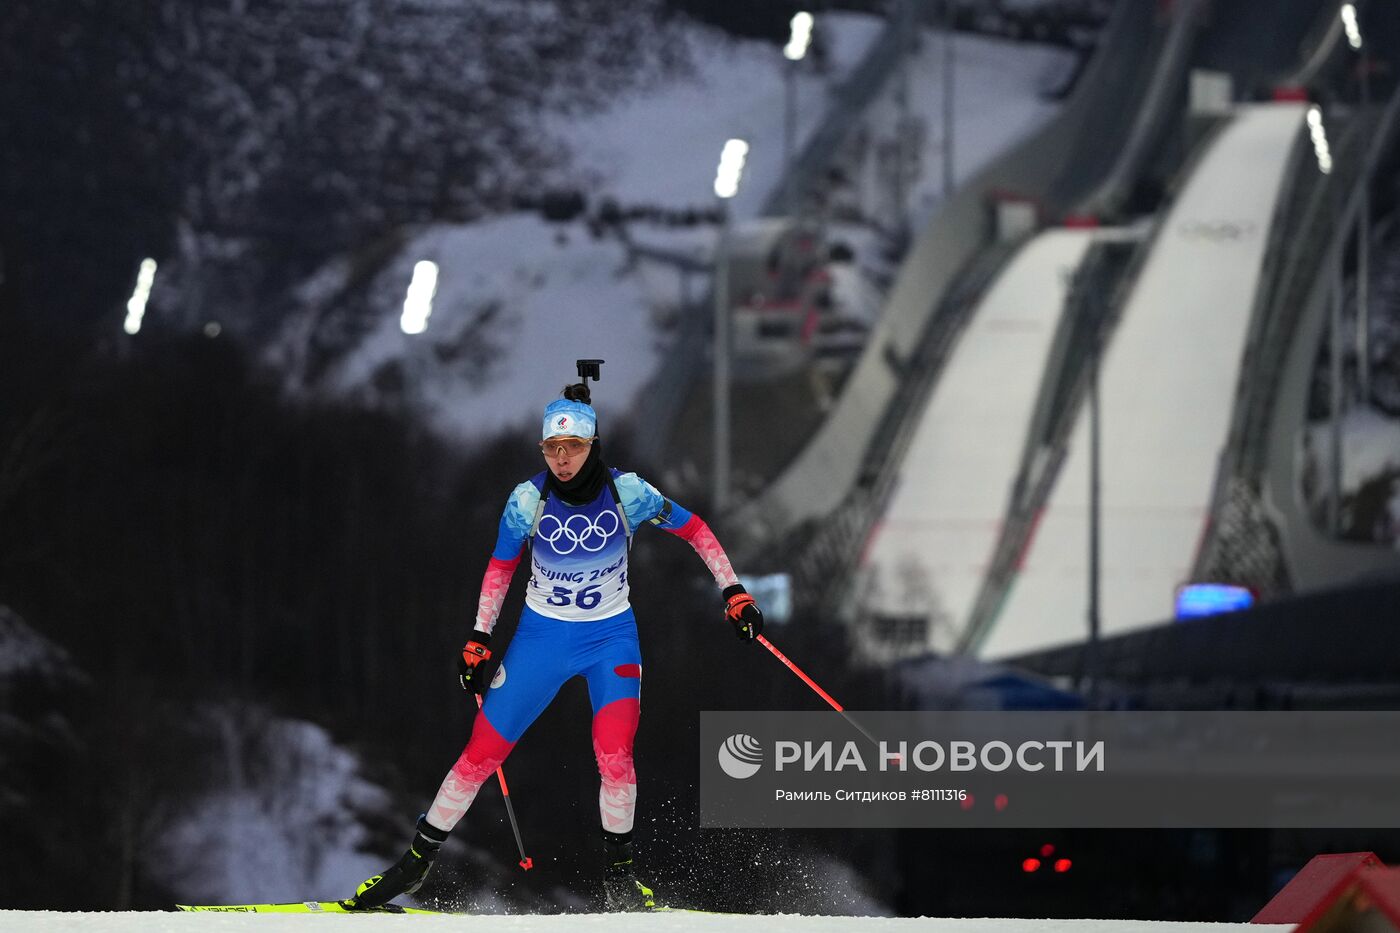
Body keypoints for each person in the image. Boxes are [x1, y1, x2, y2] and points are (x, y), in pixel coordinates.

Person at [348, 379, 765, 912]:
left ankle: (621, 883)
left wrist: (733, 592)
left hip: (611, 639)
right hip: (541, 639)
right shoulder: (528, 500)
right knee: (480, 754)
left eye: (573, 448)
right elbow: (500, 569)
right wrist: (479, 638)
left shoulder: (628, 492)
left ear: (593, 446)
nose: (562, 459)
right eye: (552, 449)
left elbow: (697, 530)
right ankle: (413, 866)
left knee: (615, 757)